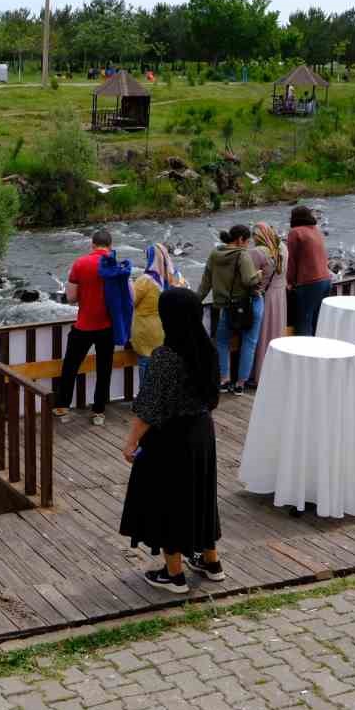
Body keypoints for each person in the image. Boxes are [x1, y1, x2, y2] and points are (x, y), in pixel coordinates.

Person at [117, 287, 224, 593]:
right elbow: (213, 396)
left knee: (166, 501)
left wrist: (130, 443)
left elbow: (149, 408)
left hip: (171, 438)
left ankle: (174, 574)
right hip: (202, 432)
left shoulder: (166, 357)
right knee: (200, 496)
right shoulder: (209, 349)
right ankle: (210, 561)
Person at [56, 230, 117, 425]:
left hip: (84, 326)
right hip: (107, 326)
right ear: (110, 245)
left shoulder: (80, 263)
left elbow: (72, 297)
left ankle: (62, 406)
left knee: (70, 366)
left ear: (92, 244)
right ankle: (98, 411)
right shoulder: (115, 264)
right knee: (104, 369)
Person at [198, 226, 264, 395]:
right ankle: (240, 384)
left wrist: (196, 300)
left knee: (221, 342)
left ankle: (224, 380)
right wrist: (259, 274)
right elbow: (249, 281)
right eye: (247, 241)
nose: (248, 244)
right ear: (240, 239)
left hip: (225, 306)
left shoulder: (214, 254)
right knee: (249, 343)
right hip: (245, 305)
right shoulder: (242, 255)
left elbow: (206, 281)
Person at [130, 243, 183, 386]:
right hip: (166, 328)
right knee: (164, 365)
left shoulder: (145, 280)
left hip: (146, 329)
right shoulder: (175, 277)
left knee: (145, 363)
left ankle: (146, 401)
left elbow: (132, 301)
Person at [247, 222, 288, 389]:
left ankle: (258, 374)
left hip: (265, 297)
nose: (252, 240)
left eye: (254, 237)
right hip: (280, 294)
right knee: (276, 333)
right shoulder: (283, 248)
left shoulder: (257, 253)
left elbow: (248, 277)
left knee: (262, 335)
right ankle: (276, 372)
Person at [285, 207, 332, 337]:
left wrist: (289, 282)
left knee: (303, 324)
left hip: (309, 282)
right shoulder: (316, 230)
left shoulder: (295, 232)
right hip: (326, 280)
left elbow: (291, 261)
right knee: (317, 321)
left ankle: (304, 355)